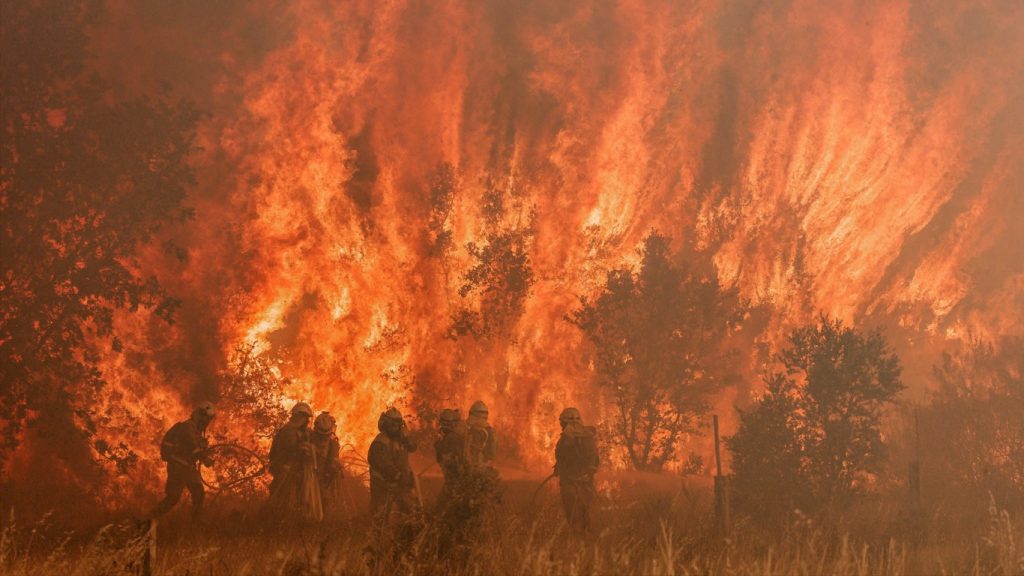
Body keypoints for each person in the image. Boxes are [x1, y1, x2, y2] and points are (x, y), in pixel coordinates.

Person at [150, 402, 216, 523]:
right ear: (199, 414)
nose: (206, 421)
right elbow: (192, 446)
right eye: (206, 418)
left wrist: (205, 452)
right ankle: (149, 518)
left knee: (198, 493)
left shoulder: (196, 430)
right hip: (177, 466)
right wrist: (205, 458)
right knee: (173, 498)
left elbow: (196, 449)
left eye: (208, 419)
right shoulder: (188, 427)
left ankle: (196, 523)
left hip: (188, 467)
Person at [267, 402, 322, 522]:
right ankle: (274, 520)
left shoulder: (304, 431)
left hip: (296, 471)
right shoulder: (288, 431)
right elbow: (287, 452)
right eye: (304, 418)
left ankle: (295, 521)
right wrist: (302, 449)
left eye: (307, 418)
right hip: (285, 469)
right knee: (281, 497)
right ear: (297, 416)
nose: (306, 421)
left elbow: (315, 442)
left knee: (298, 499)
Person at [554, 407, 599, 535]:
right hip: (587, 483)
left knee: (573, 515)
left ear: (565, 421)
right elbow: (596, 460)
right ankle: (587, 538)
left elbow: (563, 456)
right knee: (586, 512)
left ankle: (577, 540)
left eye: (562, 422)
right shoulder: (588, 436)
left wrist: (561, 468)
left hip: (570, 483)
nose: (561, 424)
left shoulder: (567, 437)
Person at [367, 408, 418, 521]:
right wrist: (397, 475)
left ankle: (404, 530)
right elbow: (382, 464)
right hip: (382, 484)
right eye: (392, 425)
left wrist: (407, 436)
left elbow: (413, 447)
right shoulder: (380, 442)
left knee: (408, 513)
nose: (395, 428)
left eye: (398, 426)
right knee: (380, 516)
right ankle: (376, 531)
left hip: (399, 483)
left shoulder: (401, 439)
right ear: (385, 425)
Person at [311, 411, 343, 515]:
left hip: (322, 480)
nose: (323, 439)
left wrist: (334, 469)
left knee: (322, 504)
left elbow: (332, 464)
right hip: (308, 478)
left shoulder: (332, 444)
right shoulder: (308, 439)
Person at [434, 408, 468, 504]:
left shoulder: (451, 438)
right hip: (457, 478)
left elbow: (442, 455)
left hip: (454, 478)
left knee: (441, 505)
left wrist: (438, 444)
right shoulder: (457, 436)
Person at [465, 400, 496, 470]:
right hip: (481, 464)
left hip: (478, 465)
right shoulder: (489, 430)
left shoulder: (481, 431)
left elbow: (473, 452)